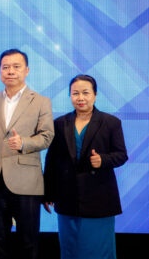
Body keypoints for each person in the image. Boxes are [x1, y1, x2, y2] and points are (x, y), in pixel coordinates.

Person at [44, 75, 127, 259]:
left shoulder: (111, 122)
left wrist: (103, 160)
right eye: (75, 93)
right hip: (67, 197)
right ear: (70, 96)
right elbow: (51, 160)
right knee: (70, 249)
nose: (80, 98)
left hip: (99, 198)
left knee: (97, 250)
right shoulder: (59, 123)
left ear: (95, 95)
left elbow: (121, 155)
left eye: (85, 93)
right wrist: (48, 193)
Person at [0, 48, 54, 259]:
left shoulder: (41, 101)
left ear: (27, 70)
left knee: (28, 242)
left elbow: (47, 136)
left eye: (16, 66)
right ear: (0, 71)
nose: (10, 71)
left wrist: (24, 142)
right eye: (5, 67)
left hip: (26, 182)